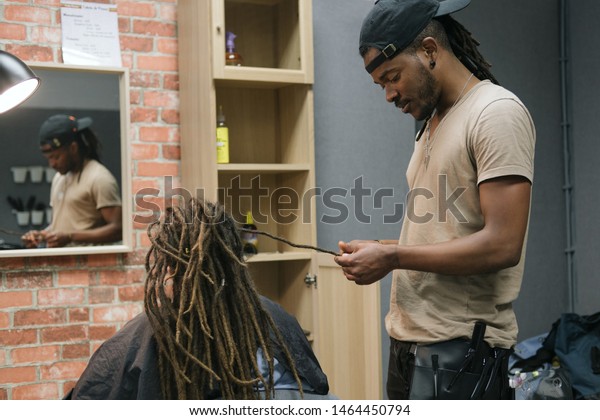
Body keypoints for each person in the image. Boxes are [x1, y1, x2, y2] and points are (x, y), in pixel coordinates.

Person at [334, 0, 535, 399]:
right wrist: (384, 247)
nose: (389, 95)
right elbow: (446, 234)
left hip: (461, 352)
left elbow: (503, 244)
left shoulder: (495, 113)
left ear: (429, 51)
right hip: (410, 346)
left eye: (392, 77)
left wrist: (392, 258)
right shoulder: (430, 126)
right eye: (380, 85)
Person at [66, 198, 334, 400]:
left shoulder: (142, 336)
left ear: (170, 268)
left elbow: (92, 394)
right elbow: (317, 385)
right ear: (233, 261)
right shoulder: (270, 316)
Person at [21, 114, 122, 248]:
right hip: (59, 265)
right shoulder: (59, 177)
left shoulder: (99, 178)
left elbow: (118, 229)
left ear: (73, 148)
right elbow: (62, 225)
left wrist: (70, 237)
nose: (52, 164)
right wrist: (42, 235)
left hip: (86, 266)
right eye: (49, 158)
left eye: (56, 157)